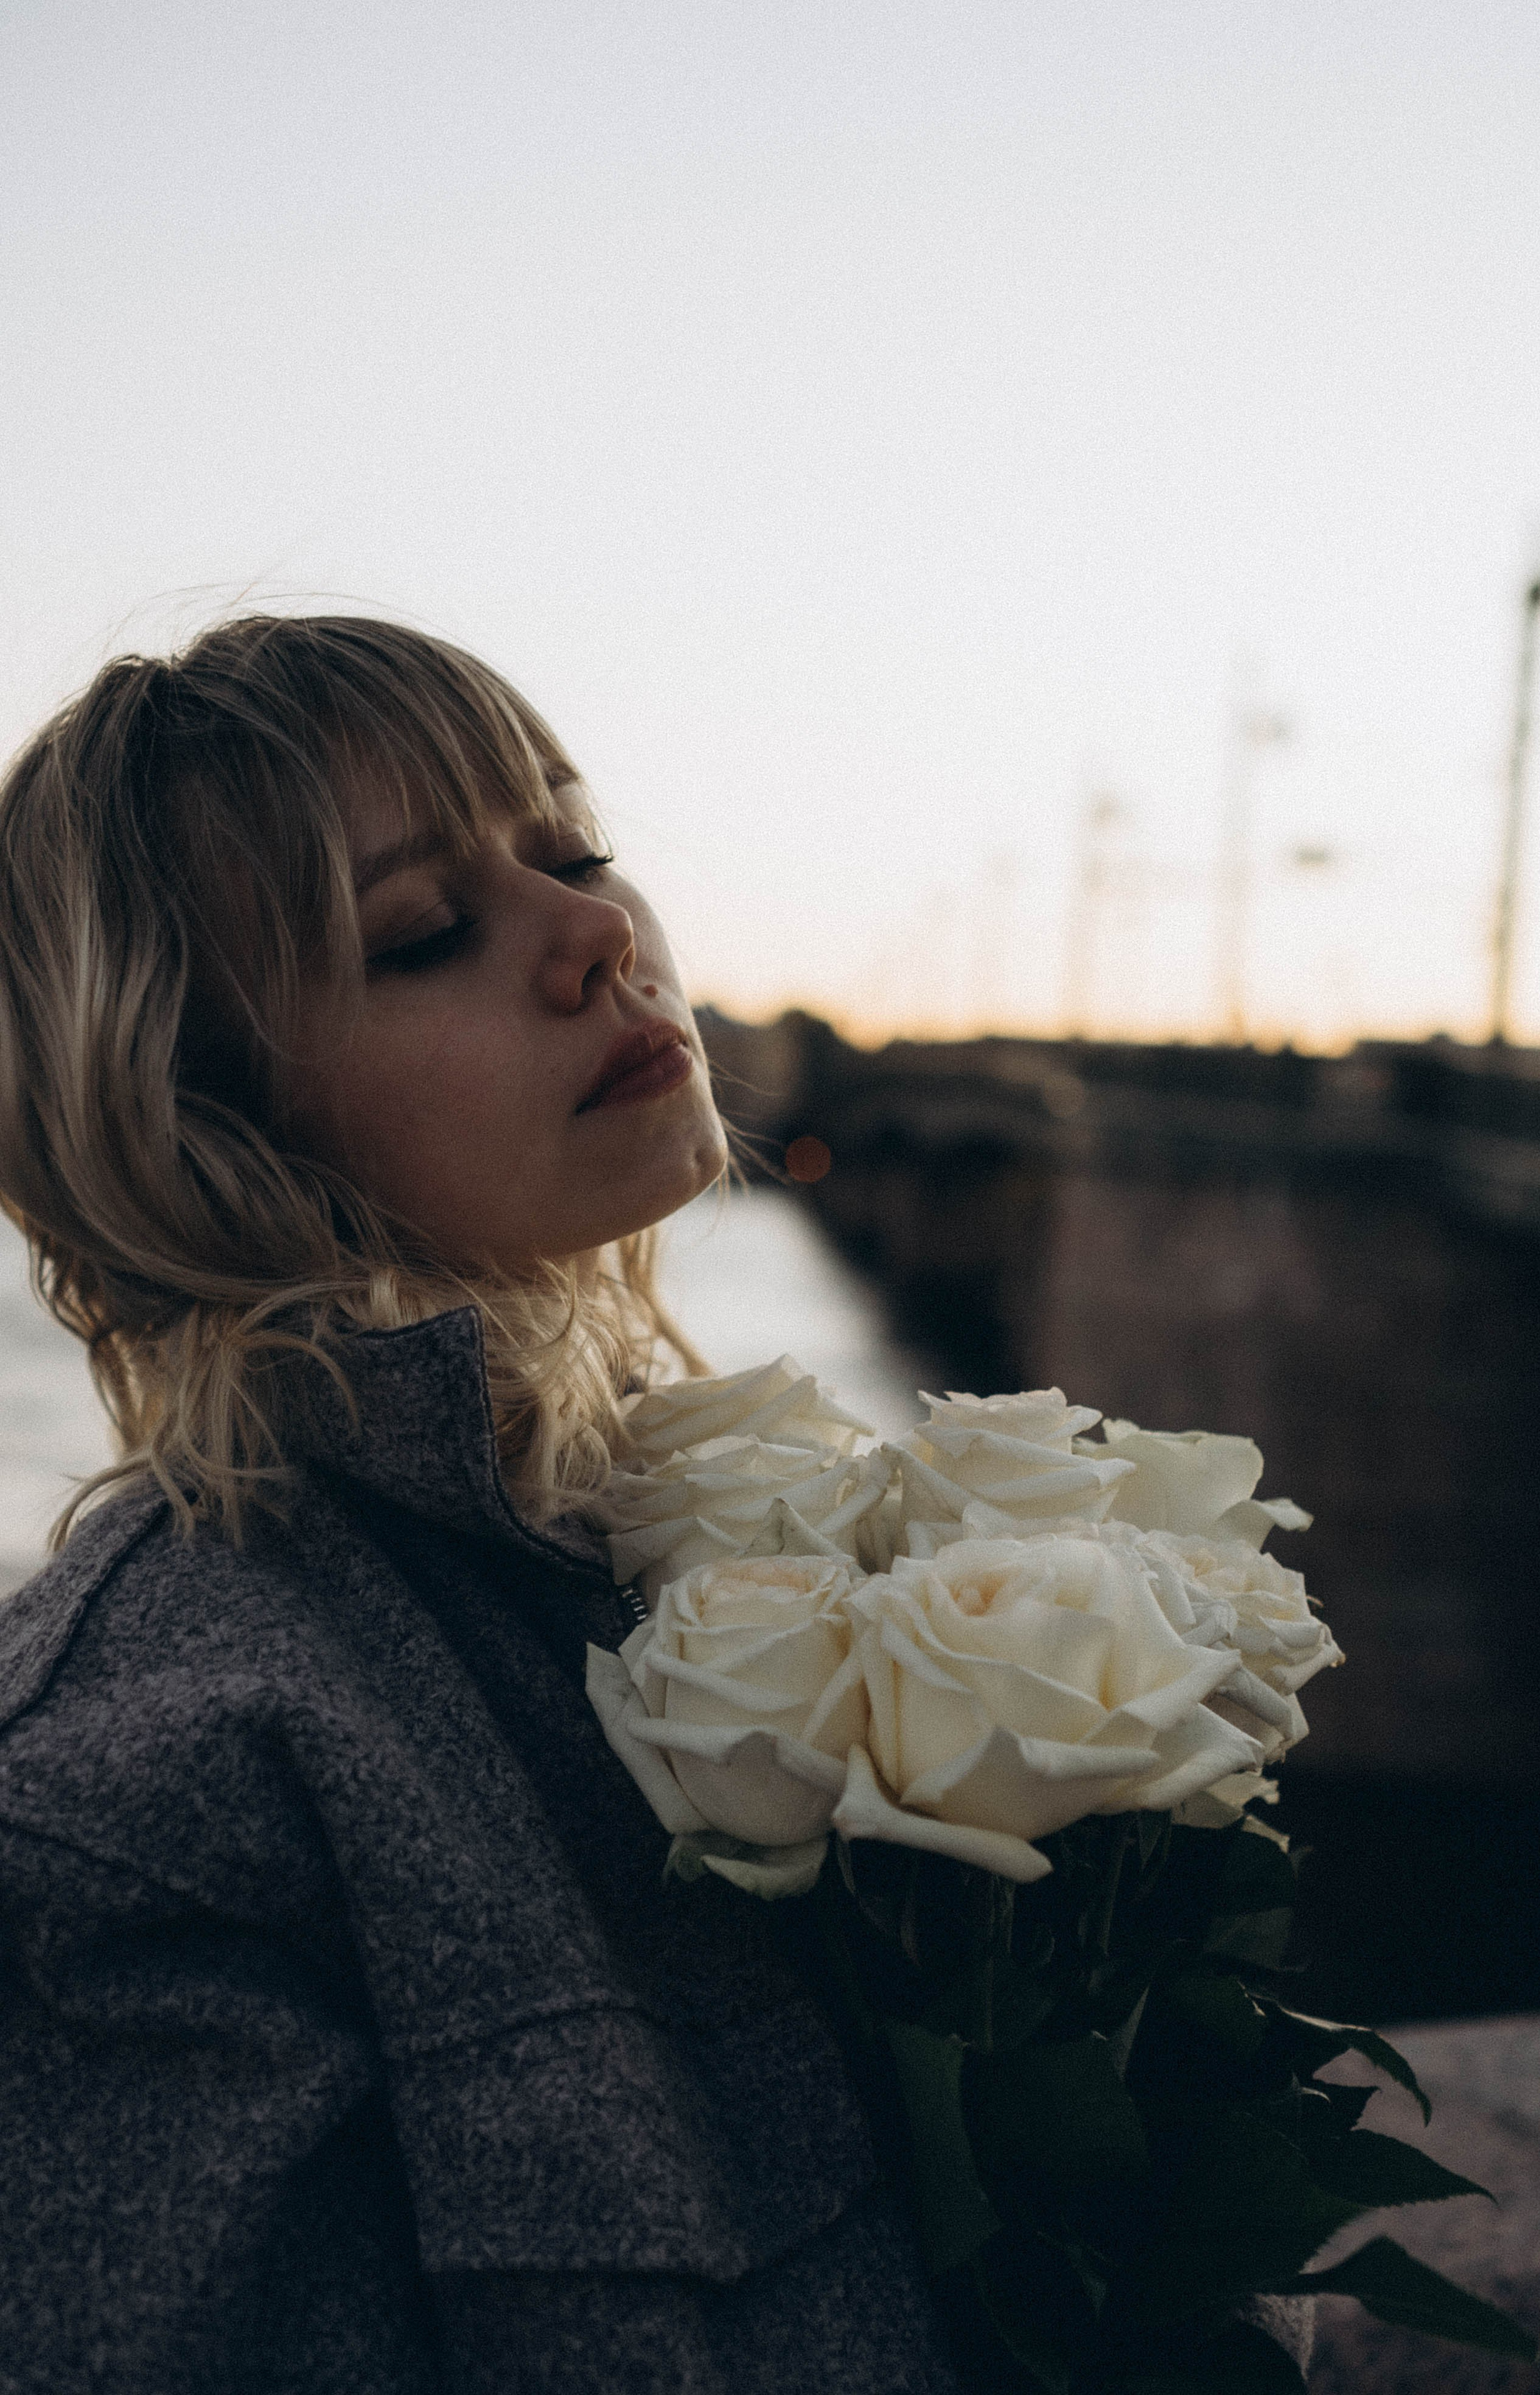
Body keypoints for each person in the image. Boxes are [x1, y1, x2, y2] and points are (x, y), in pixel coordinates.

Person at [0, 616, 963, 2394]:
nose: (600, 936)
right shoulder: (147, 1785)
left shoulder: (664, 1534)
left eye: (575, 851)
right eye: (422, 934)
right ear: (200, 1118)